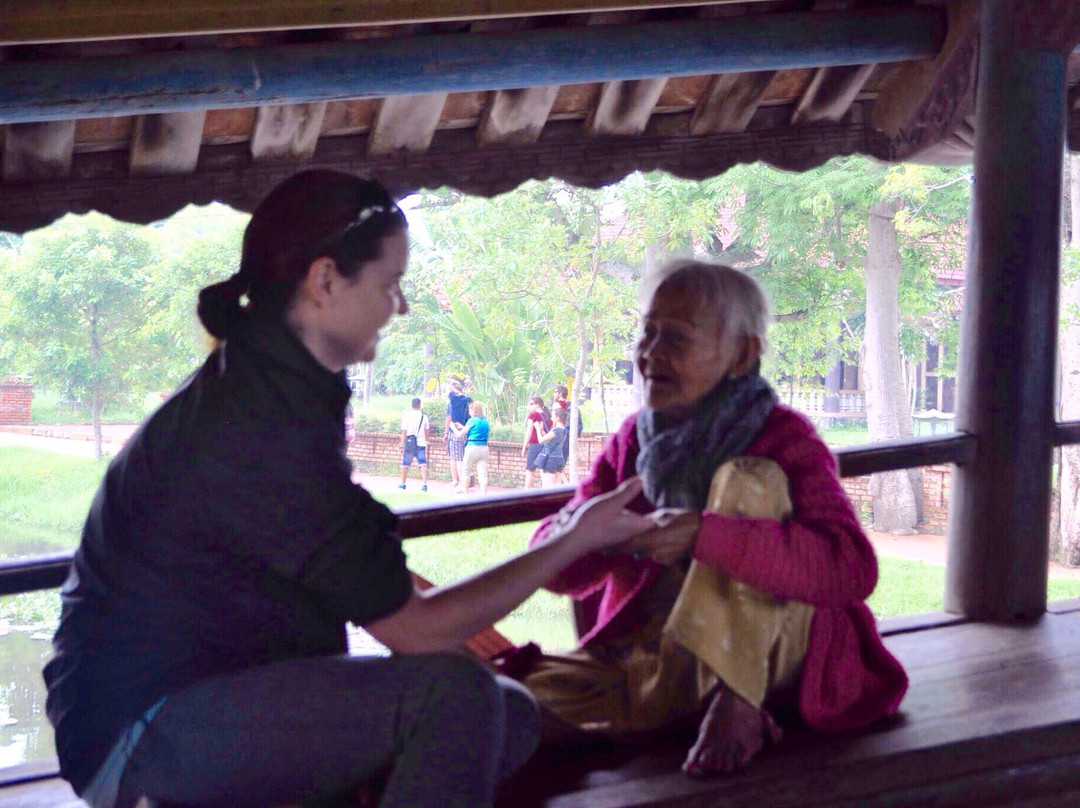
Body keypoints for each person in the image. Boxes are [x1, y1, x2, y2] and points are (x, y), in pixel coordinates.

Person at [42, 170, 656, 808]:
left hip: (220, 692)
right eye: (391, 284)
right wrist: (576, 538)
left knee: (510, 714)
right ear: (326, 281)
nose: (401, 306)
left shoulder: (279, 390)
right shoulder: (264, 424)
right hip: (141, 728)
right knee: (458, 698)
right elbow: (416, 631)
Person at [521, 260, 908, 777]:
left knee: (750, 481)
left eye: (676, 339)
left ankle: (734, 696)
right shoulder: (636, 439)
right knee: (506, 698)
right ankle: (659, 710)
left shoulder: (784, 438)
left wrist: (707, 536)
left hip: (776, 669)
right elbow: (555, 565)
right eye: (648, 333)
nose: (651, 354)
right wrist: (605, 537)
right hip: (657, 657)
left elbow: (850, 569)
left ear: (742, 355)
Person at [451, 400, 490, 496]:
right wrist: (462, 426)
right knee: (483, 473)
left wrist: (453, 427)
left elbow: (460, 435)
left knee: (466, 471)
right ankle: (483, 495)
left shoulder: (472, 420)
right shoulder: (485, 422)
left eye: (470, 409)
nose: (469, 411)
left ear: (474, 410)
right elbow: (474, 430)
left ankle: (466, 494)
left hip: (472, 447)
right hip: (484, 448)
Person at [445, 377, 472, 489]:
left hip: (454, 430)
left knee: (456, 458)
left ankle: (458, 481)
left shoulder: (452, 401)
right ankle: (459, 481)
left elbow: (448, 418)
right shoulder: (466, 400)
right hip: (464, 429)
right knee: (461, 457)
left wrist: (446, 432)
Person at [399, 397, 429, 491]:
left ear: (411, 405)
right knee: (422, 463)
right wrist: (426, 440)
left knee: (405, 464)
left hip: (409, 443)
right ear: (420, 405)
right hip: (421, 443)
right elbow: (426, 430)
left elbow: (404, 432)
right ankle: (424, 484)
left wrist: (401, 445)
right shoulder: (424, 417)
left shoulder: (407, 416)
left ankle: (403, 484)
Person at [534, 407, 569, 488]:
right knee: (558, 484)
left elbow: (541, 440)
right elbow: (549, 439)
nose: (551, 417)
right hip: (559, 458)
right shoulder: (563, 430)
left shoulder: (556, 430)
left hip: (551, 459)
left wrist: (537, 429)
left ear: (558, 417)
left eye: (553, 416)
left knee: (549, 486)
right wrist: (541, 430)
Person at [521, 395, 548, 489]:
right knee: (543, 472)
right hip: (545, 445)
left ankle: (526, 494)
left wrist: (524, 447)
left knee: (530, 471)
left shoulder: (533, 415)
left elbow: (529, 432)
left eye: (531, 404)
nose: (529, 406)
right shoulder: (547, 415)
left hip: (534, 445)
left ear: (537, 404)